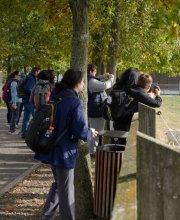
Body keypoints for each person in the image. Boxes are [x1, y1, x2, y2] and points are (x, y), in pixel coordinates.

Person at [35, 69, 98, 220]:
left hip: (50, 147)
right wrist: (90, 132)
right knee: (66, 191)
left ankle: (46, 217)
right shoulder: (74, 102)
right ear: (77, 82)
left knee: (59, 186)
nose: (84, 84)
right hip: (64, 151)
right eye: (83, 81)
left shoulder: (57, 96)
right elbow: (80, 131)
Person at [113, 72, 162, 143]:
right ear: (149, 86)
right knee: (123, 147)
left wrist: (147, 95)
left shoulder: (131, 88)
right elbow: (157, 103)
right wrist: (158, 95)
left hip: (118, 121)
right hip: (126, 125)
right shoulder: (141, 95)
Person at [87, 64, 114, 156]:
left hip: (96, 109)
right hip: (95, 111)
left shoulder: (89, 79)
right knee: (95, 132)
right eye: (94, 71)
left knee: (96, 132)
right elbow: (104, 85)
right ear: (90, 71)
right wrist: (111, 78)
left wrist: (102, 76)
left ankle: (93, 151)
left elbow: (97, 79)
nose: (95, 74)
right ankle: (92, 152)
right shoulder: (91, 81)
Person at [21, 66, 40, 139]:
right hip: (30, 101)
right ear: (35, 72)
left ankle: (24, 133)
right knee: (35, 118)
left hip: (26, 100)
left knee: (26, 118)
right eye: (38, 72)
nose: (39, 73)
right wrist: (33, 95)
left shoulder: (29, 77)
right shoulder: (31, 78)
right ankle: (33, 134)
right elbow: (28, 88)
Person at [7, 71, 22, 135]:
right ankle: (12, 130)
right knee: (15, 116)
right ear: (15, 75)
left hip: (16, 101)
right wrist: (14, 103)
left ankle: (12, 129)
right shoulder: (14, 83)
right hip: (16, 101)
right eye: (19, 75)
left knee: (15, 116)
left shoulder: (15, 82)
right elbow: (14, 93)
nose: (20, 77)